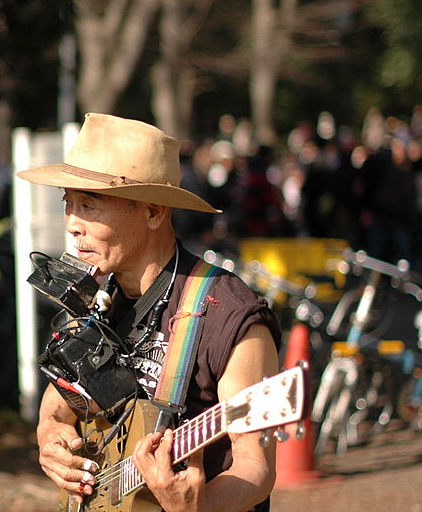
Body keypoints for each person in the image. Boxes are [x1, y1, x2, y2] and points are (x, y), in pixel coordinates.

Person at [17, 113, 281, 512]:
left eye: (90, 205)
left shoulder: (228, 314)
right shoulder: (94, 294)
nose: (72, 224)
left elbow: (256, 467)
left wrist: (198, 505)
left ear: (154, 212)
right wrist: (49, 429)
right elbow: (64, 393)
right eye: (68, 204)